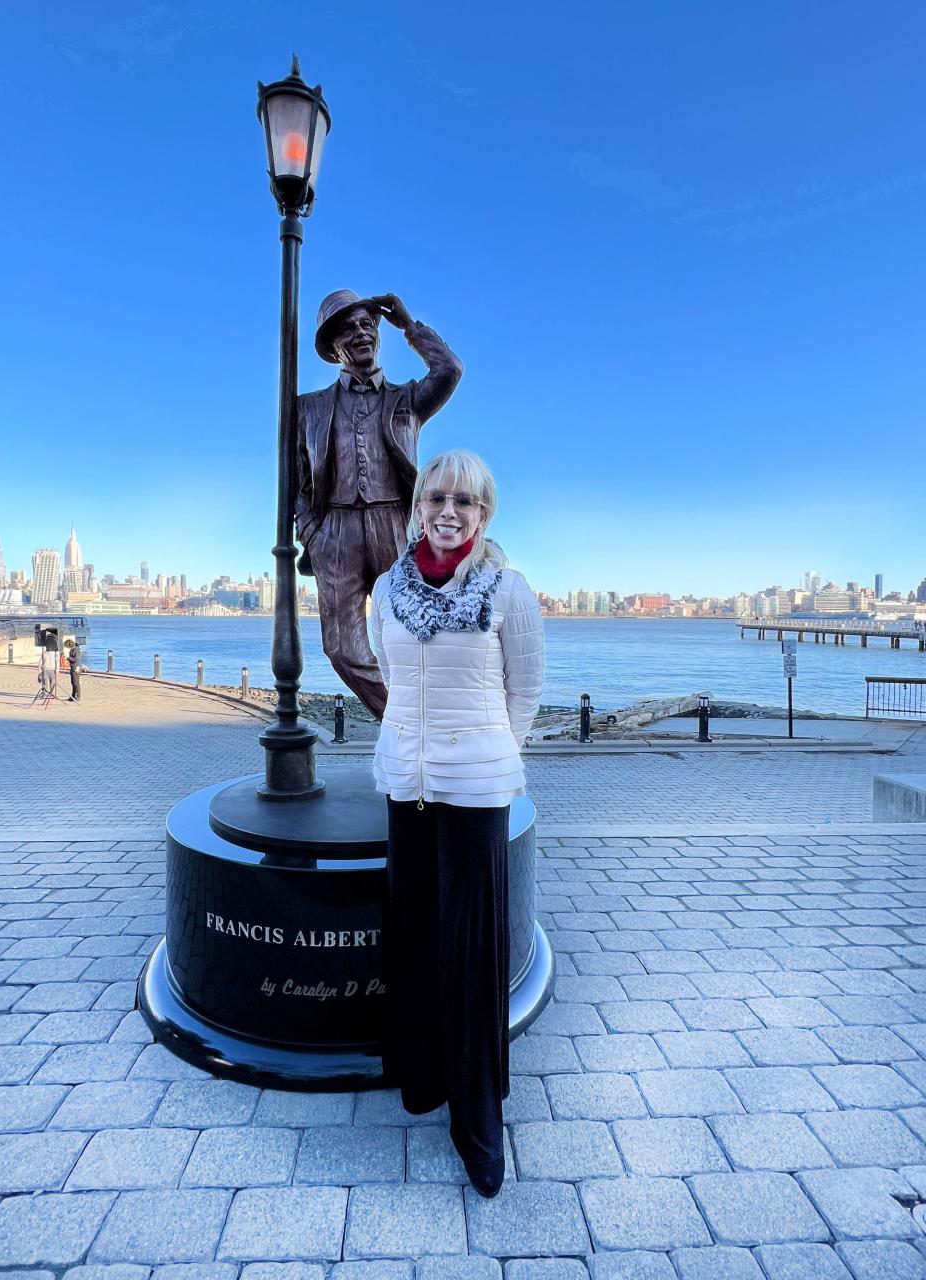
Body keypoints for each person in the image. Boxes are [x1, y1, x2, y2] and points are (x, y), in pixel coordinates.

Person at [369, 449, 544, 1197]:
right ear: (418, 507)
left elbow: (525, 692)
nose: (449, 512)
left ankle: (479, 1124)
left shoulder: (508, 590)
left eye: (465, 503)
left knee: (471, 956)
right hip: (404, 781)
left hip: (475, 789)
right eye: (437, 497)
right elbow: (387, 673)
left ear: (484, 516)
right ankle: (422, 1078)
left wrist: (486, 750)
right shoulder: (386, 590)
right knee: (412, 933)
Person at [296, 290, 462, 720]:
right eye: (348, 329)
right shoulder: (308, 409)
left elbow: (449, 370)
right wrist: (310, 532)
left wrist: (409, 325)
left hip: (394, 525)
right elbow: (296, 480)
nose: (361, 333)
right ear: (333, 348)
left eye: (367, 324)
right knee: (341, 648)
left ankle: (420, 730)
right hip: (333, 533)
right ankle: (410, 724)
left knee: (417, 635)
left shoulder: (407, 399)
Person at [39, 631, 59, 700]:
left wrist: (57, 669)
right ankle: (46, 694)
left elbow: (57, 661)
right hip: (47, 669)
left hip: (51, 669)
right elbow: (40, 662)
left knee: (51, 683)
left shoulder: (54, 653)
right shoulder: (47, 653)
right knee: (47, 683)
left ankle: (50, 694)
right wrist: (39, 670)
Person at [64, 638, 81, 702]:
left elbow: (76, 659)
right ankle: (73, 695)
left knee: (76, 683)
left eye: (67, 646)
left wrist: (69, 658)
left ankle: (78, 696)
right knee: (73, 682)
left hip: (76, 667)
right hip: (72, 667)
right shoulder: (71, 650)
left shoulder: (76, 649)